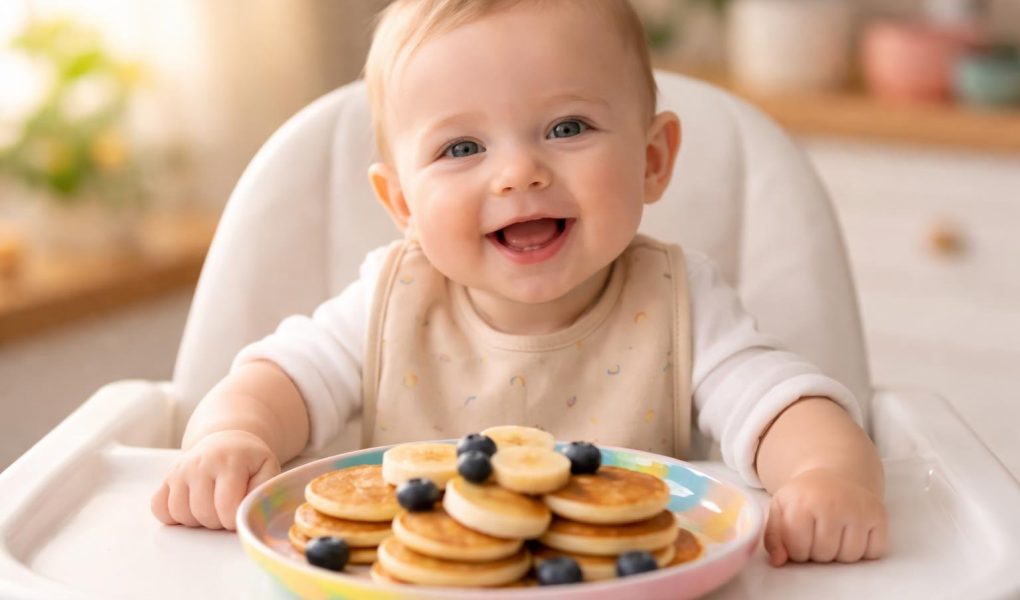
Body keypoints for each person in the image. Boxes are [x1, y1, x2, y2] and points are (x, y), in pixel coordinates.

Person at [152, 0, 887, 568]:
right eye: (461, 147)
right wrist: (232, 435)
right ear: (403, 205)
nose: (519, 172)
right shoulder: (392, 300)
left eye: (567, 128)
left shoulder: (677, 300)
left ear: (653, 159)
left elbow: (782, 401)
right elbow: (277, 377)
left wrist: (826, 475)